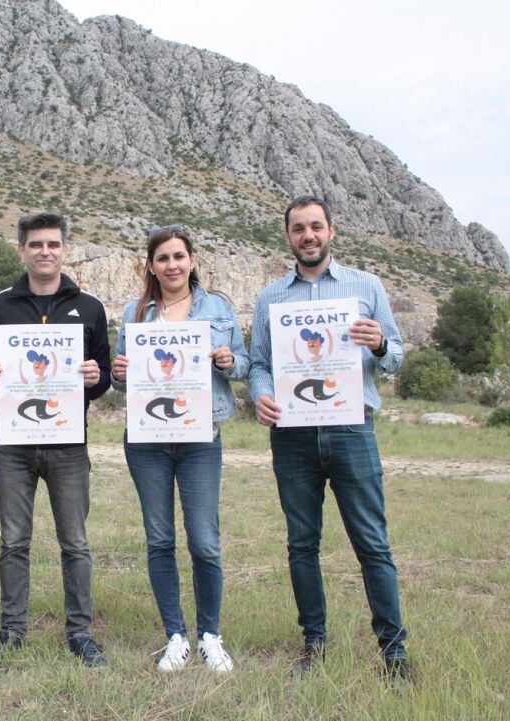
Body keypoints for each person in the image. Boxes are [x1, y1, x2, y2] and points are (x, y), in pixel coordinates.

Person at [248, 196, 410, 681]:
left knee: (372, 545)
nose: (308, 235)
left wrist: (379, 342)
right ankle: (313, 643)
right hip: (293, 436)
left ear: (331, 231)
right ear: (288, 237)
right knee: (302, 544)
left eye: (315, 226)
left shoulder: (366, 287)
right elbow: (258, 364)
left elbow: (397, 356)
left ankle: (394, 651)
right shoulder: (270, 298)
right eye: (298, 228)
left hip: (352, 430)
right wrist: (261, 396)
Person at [0, 212, 112, 666]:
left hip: (69, 443)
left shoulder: (89, 306)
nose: (45, 252)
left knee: (75, 542)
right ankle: (12, 632)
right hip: (12, 444)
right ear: (22, 250)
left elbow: (104, 374)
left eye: (53, 244)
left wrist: (96, 376)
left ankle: (81, 633)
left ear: (65, 250)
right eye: (36, 245)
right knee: (14, 541)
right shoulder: (1, 305)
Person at [111, 224, 249, 672]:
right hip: (147, 441)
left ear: (192, 260)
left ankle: (210, 634)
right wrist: (119, 371)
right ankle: (175, 635)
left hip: (199, 439)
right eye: (163, 258)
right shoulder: (135, 314)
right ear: (150, 265)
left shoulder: (218, 309)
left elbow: (244, 364)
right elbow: (119, 381)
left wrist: (230, 362)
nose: (172, 265)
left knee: (205, 542)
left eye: (179, 256)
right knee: (160, 539)